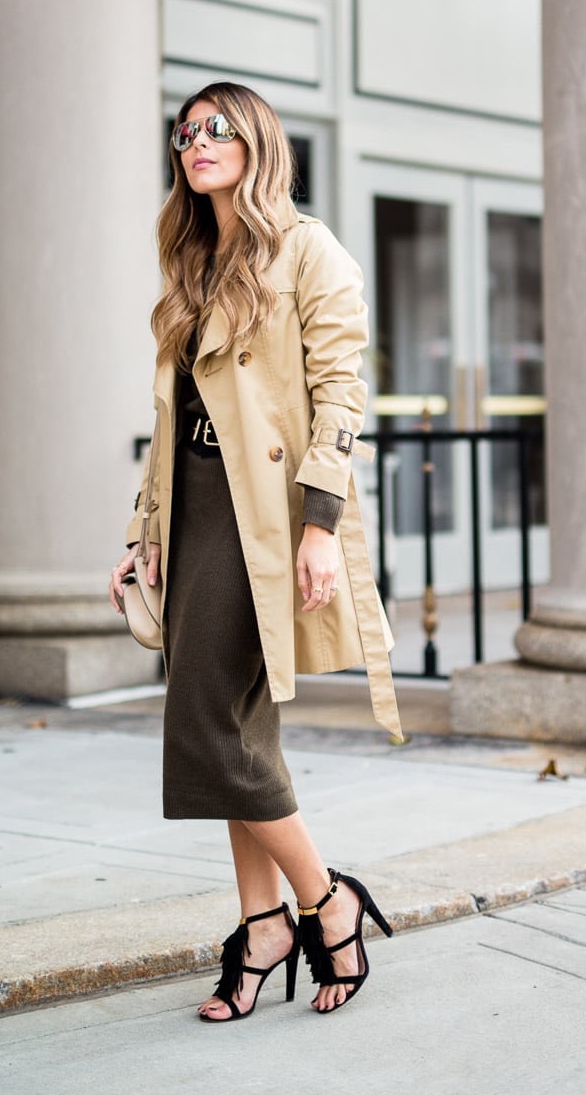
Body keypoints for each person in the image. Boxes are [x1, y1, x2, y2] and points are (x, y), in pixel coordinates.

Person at [109, 80, 403, 1021]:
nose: (195, 143)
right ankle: (262, 923)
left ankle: (323, 902)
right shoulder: (190, 261)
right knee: (236, 728)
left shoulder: (310, 250)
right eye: (184, 132)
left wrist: (321, 524)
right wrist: (139, 533)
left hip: (265, 514)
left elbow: (342, 399)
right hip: (191, 505)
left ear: (256, 142)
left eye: (216, 128)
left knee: (208, 724)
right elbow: (168, 421)